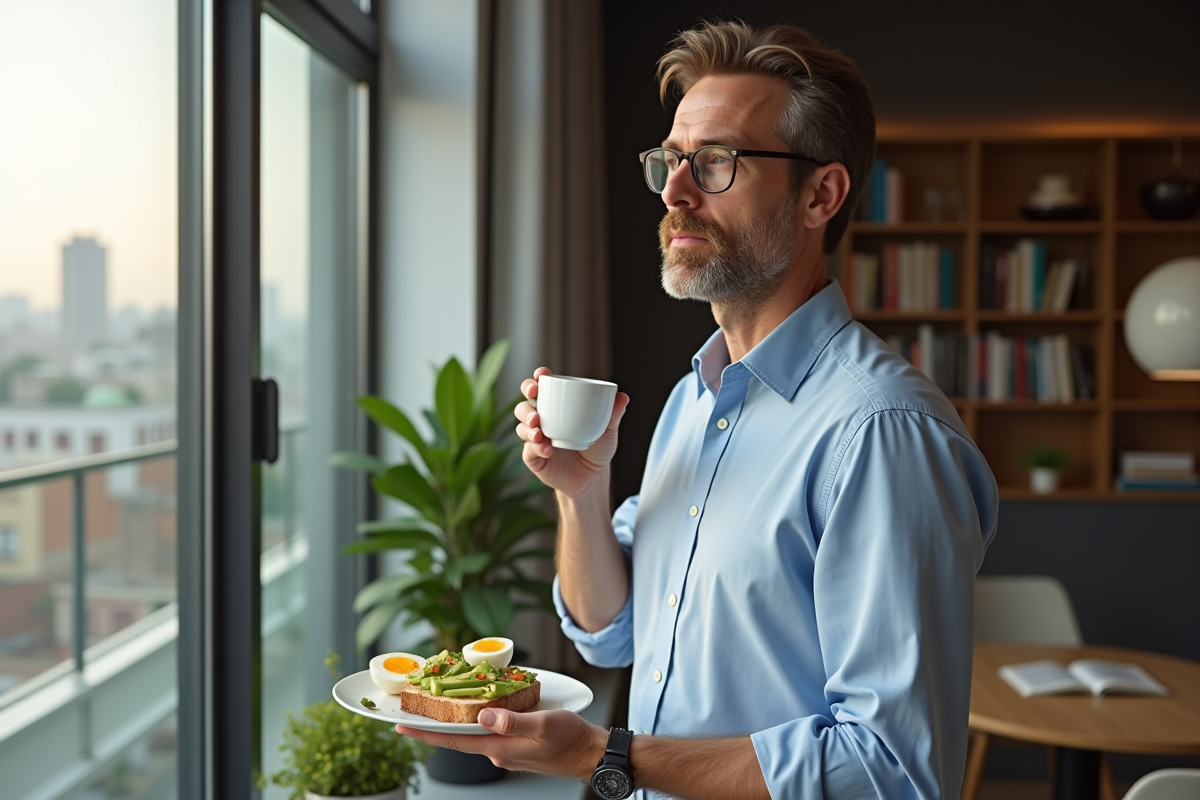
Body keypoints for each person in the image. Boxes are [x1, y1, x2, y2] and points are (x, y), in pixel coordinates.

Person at [396, 20, 999, 800]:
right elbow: (611, 633)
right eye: (672, 161)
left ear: (821, 193)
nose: (676, 193)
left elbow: (891, 769)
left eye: (716, 162)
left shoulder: (882, 434)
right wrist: (580, 491)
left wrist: (604, 756)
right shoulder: (694, 400)